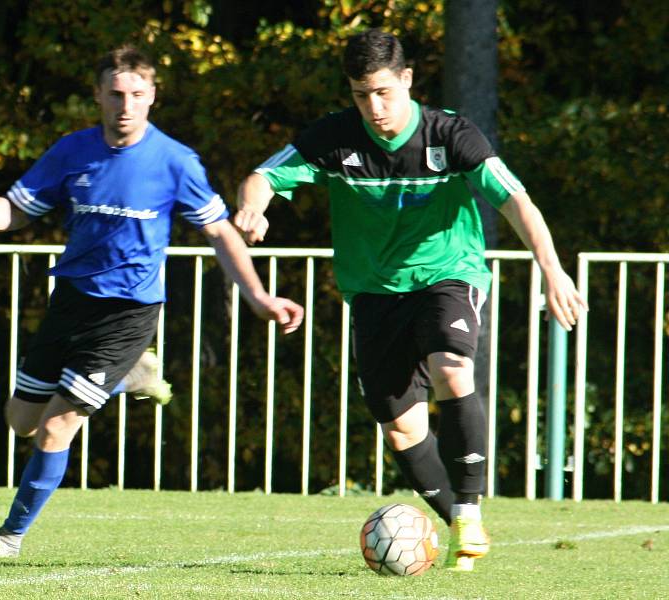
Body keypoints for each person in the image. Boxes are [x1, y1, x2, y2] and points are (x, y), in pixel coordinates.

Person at [235, 29, 587, 572]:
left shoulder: (450, 134)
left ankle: (468, 510)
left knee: (452, 366)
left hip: (448, 274)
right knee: (402, 429)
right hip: (375, 293)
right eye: (359, 94)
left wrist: (552, 267)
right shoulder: (334, 138)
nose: (373, 108)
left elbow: (516, 200)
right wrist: (254, 208)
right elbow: (263, 176)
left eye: (382, 92)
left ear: (406, 80)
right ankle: (459, 527)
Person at [0, 45, 304, 559]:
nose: (125, 105)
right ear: (98, 96)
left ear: (152, 96)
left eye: (136, 94)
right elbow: (14, 213)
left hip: (129, 313)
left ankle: (8, 537)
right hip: (70, 302)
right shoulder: (72, 151)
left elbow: (219, 231)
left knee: (58, 425)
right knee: (20, 421)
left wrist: (259, 296)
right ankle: (131, 376)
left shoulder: (175, 161)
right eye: (115, 94)